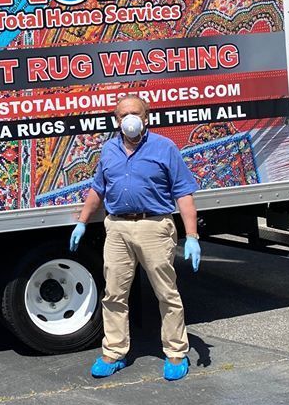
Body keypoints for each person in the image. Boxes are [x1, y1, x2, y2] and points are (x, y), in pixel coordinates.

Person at [69, 95, 201, 381]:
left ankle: (176, 352)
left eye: (135, 113)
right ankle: (114, 352)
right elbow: (97, 190)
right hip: (117, 228)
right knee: (114, 293)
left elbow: (183, 193)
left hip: (154, 227)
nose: (129, 118)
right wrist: (82, 222)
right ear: (116, 120)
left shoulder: (164, 147)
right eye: (123, 114)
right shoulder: (109, 151)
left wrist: (192, 235)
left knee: (166, 293)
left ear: (146, 116)